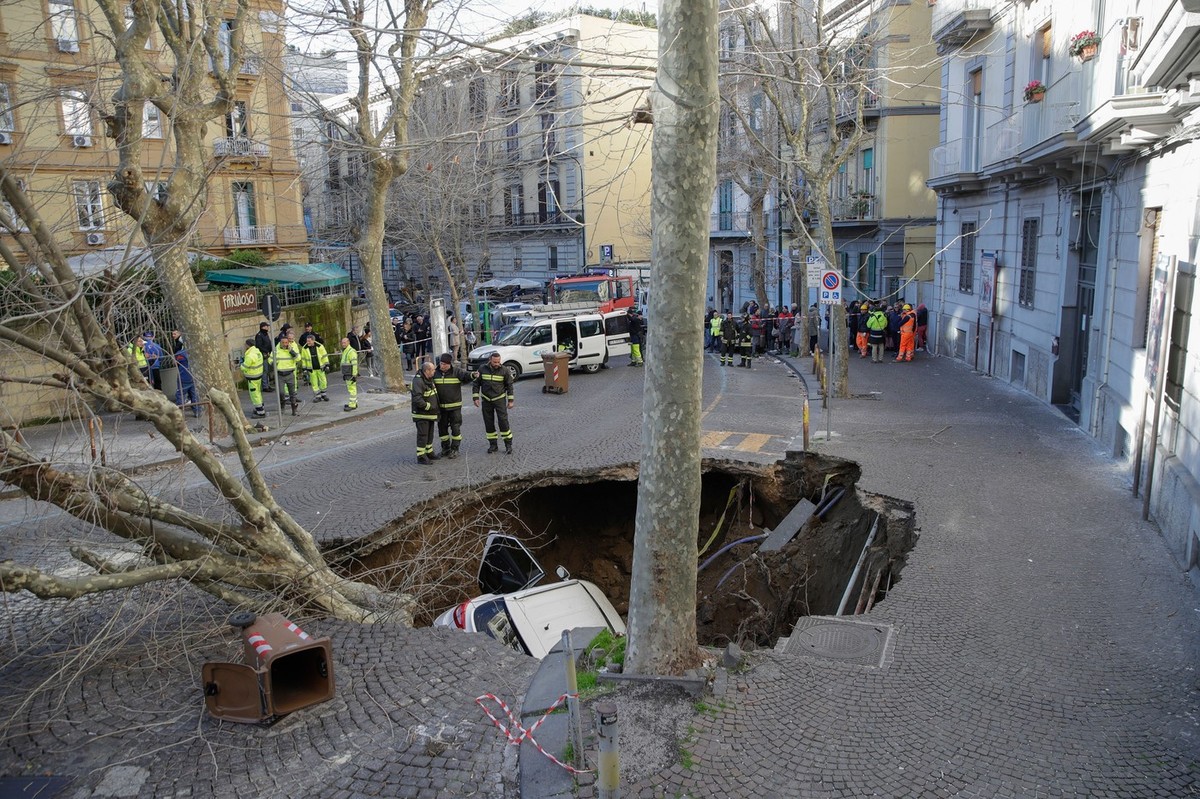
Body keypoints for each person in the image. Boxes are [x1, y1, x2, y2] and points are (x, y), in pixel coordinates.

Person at [433, 352, 476, 458]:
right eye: (441, 364)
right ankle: (445, 449)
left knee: (455, 428)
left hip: (455, 407)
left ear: (450, 364)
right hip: (441, 408)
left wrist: (473, 375)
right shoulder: (435, 373)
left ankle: (455, 449)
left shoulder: (456, 372)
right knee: (442, 430)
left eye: (445, 364)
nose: (443, 366)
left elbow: (466, 376)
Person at [473, 351, 514, 454]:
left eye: (498, 362)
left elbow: (509, 386)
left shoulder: (504, 370)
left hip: (499, 399)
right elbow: (476, 384)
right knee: (489, 423)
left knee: (503, 422)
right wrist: (475, 398)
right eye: (495, 362)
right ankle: (493, 445)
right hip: (486, 400)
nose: (497, 364)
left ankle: (508, 445)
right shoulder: (482, 369)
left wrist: (510, 400)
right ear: (490, 360)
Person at [411, 360, 439, 465]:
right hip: (422, 414)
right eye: (433, 370)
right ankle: (421, 456)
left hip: (430, 413)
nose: (434, 372)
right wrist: (428, 407)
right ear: (427, 370)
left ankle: (429, 452)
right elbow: (417, 399)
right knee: (423, 435)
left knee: (429, 434)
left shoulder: (428, 379)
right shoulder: (418, 381)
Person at [271, 329, 302, 408]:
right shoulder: (278, 348)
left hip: (291, 370)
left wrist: (292, 352)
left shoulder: (293, 346)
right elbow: (271, 358)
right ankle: (285, 400)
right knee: (282, 391)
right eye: (289, 339)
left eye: (291, 339)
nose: (285, 344)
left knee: (293, 388)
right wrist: (274, 364)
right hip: (281, 372)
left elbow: (298, 358)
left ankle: (293, 403)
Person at [299, 333, 331, 402]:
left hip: (320, 367)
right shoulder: (304, 348)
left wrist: (327, 365)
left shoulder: (320, 346)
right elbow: (304, 359)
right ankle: (317, 396)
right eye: (307, 341)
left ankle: (324, 394)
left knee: (323, 381)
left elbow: (324, 356)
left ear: (313, 340)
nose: (308, 343)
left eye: (309, 341)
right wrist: (304, 369)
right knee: (314, 382)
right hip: (311, 369)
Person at [241, 337, 267, 418]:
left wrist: (241, 363)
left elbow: (244, 367)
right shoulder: (257, 352)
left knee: (254, 395)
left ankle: (260, 412)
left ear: (248, 345)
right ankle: (260, 408)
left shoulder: (250, 355)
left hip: (252, 378)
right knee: (258, 393)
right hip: (258, 375)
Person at [173, 349, 201, 417]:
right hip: (193, 377)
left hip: (183, 378)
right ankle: (197, 412)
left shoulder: (180, 353)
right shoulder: (194, 351)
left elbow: (175, 363)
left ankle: (180, 414)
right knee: (194, 395)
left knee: (181, 396)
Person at [339, 336, 359, 411]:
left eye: (344, 342)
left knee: (352, 389)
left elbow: (354, 363)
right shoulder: (346, 351)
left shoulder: (351, 351)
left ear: (348, 342)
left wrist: (354, 375)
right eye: (342, 343)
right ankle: (354, 402)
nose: (343, 344)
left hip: (350, 373)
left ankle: (352, 404)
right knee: (351, 388)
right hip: (347, 372)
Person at [254, 322, 275, 392]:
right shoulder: (259, 335)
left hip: (268, 354)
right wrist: (266, 351)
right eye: (266, 326)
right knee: (265, 371)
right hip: (264, 355)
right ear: (263, 327)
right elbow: (259, 346)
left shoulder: (265, 334)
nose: (267, 328)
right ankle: (265, 386)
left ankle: (267, 385)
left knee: (267, 370)